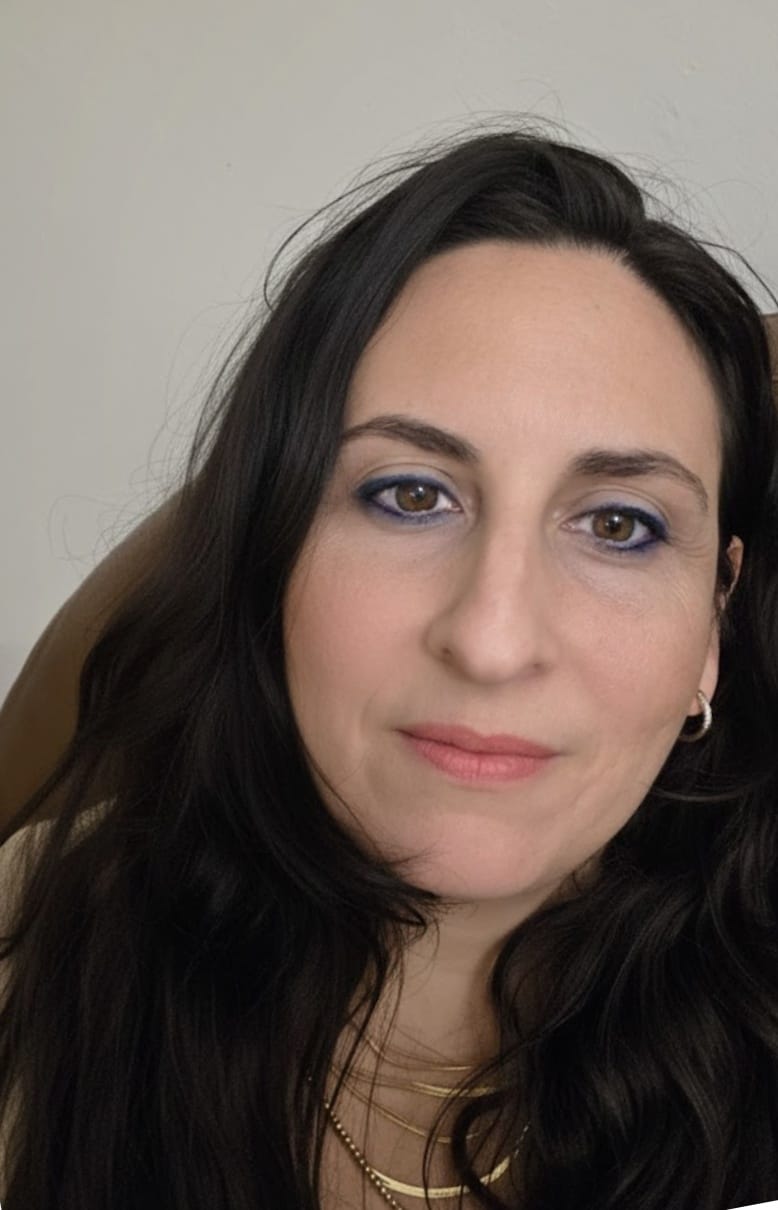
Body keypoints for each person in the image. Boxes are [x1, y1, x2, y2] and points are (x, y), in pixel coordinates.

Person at [1, 125, 778, 1210]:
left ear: (713, 629)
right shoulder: (38, 945)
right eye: (410, 495)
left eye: (618, 523)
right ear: (271, 549)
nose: (492, 641)